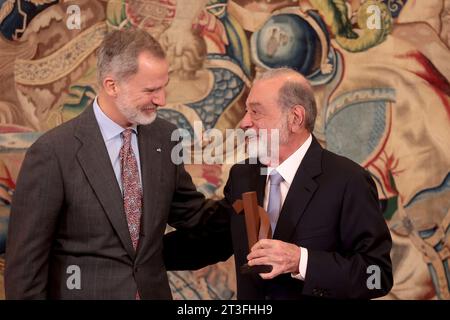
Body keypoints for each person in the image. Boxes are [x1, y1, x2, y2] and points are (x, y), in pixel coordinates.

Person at [4, 28, 221, 300]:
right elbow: (25, 266)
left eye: (164, 86)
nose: (162, 100)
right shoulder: (52, 152)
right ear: (112, 85)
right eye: (151, 90)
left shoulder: (165, 138)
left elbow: (193, 215)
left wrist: (250, 196)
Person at [164, 67, 393, 299]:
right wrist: (136, 256)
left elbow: (376, 275)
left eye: (256, 112)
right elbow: (211, 241)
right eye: (246, 111)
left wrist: (301, 261)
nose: (244, 123)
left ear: (295, 118)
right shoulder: (243, 177)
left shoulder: (348, 180)